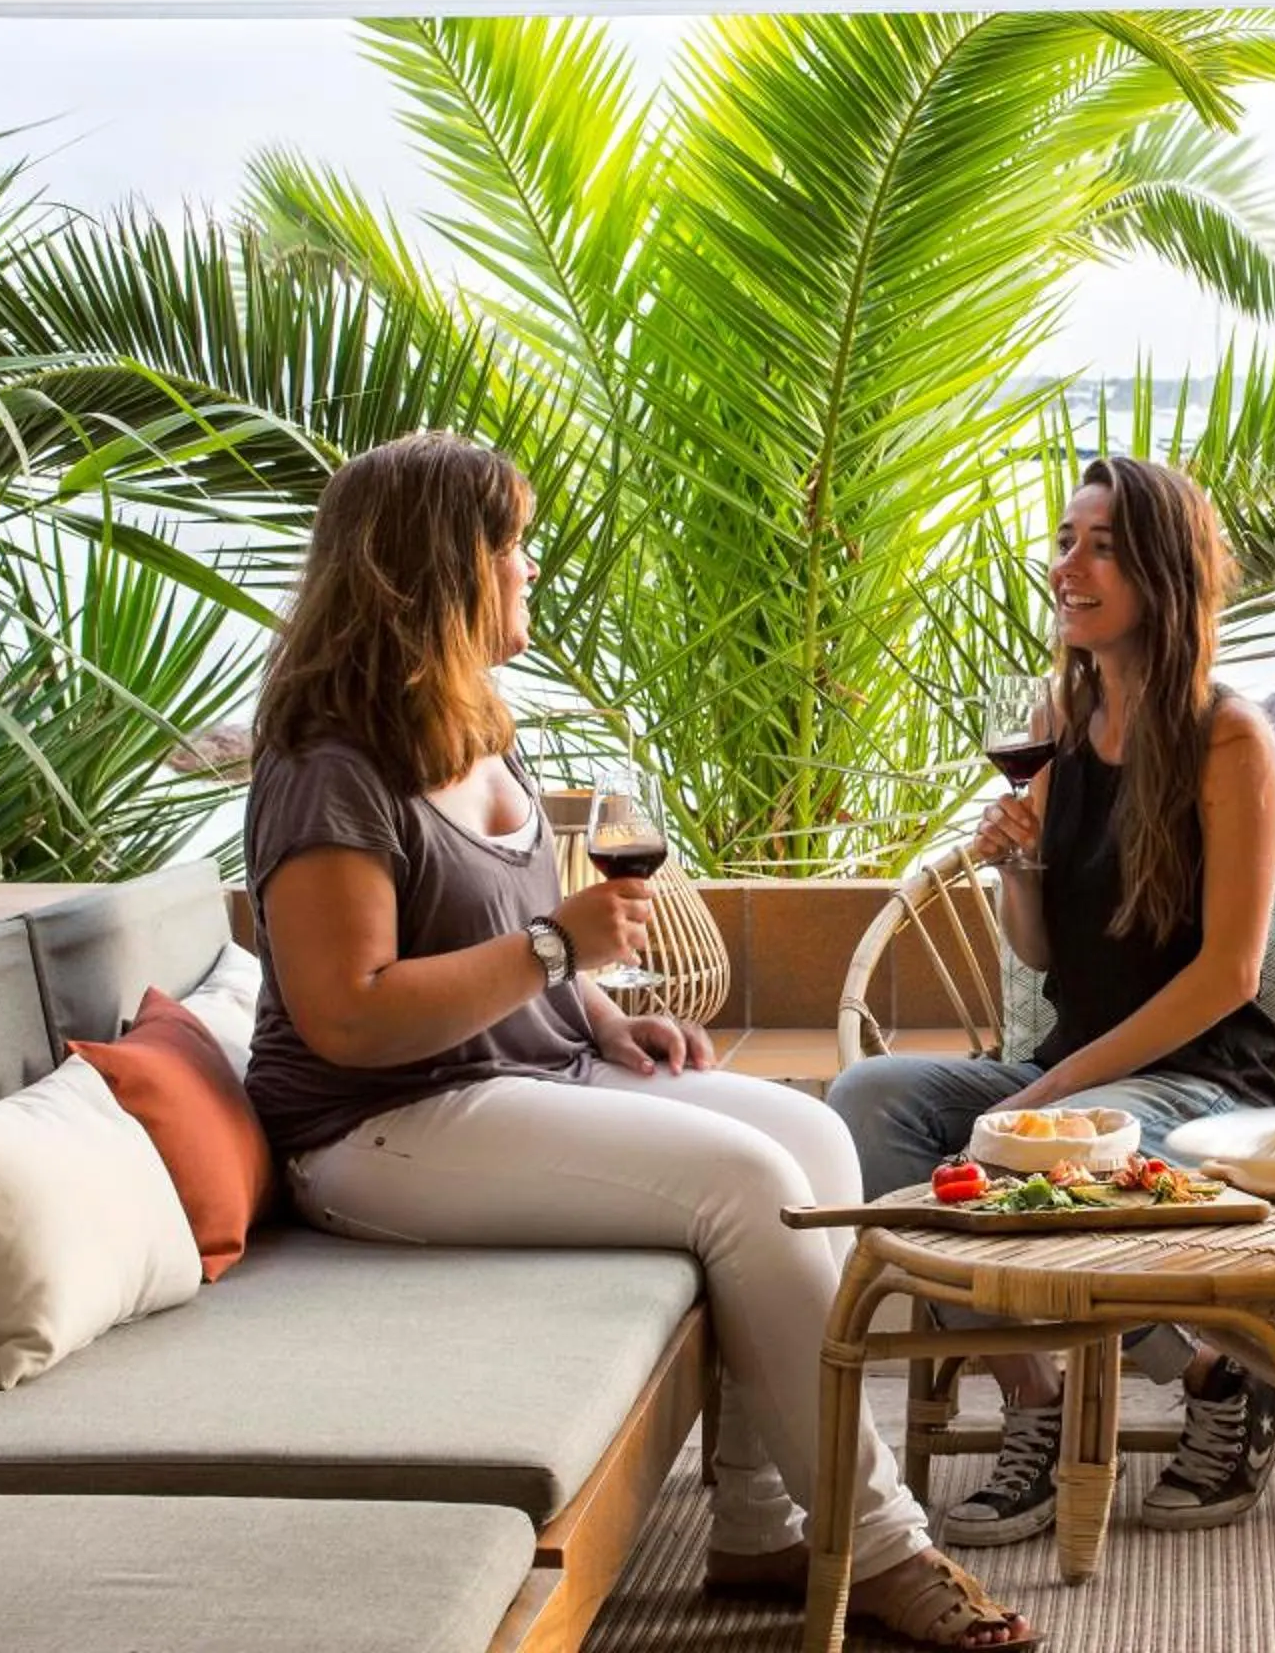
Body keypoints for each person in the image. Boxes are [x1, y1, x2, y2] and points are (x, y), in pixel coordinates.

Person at [243, 432, 1036, 1652]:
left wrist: (607, 1016)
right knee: (746, 1183)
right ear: (442, 567)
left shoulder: (473, 718)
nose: (532, 568)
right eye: (514, 545)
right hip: (376, 1126)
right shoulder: (327, 765)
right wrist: (556, 951)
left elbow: (504, 938)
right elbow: (348, 1013)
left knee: (812, 1135)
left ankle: (758, 1525)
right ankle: (882, 1543)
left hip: (520, 1070)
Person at [828, 456, 1275, 1546]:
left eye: (1100, 546)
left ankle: (1222, 1377)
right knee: (865, 1103)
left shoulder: (1228, 736)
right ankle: (1036, 1395)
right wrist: (1016, 869)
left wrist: (1046, 1097)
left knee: (1038, 1152)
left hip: (1201, 1082)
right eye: (1064, 540)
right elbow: (1040, 954)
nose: (1066, 565)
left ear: (1163, 573)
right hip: (1074, 1066)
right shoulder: (1058, 720)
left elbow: (1230, 973)